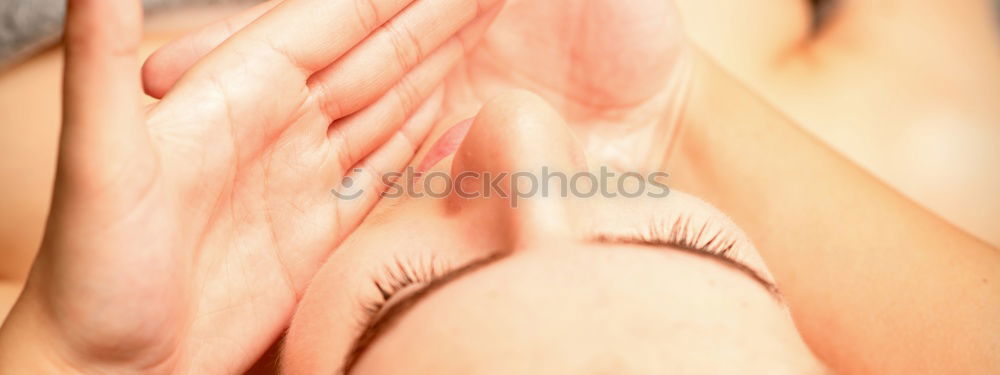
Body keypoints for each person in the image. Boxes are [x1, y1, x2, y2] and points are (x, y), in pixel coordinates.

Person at [0, 0, 998, 374]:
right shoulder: (924, 129)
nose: (523, 137)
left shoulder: (66, 286)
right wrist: (676, 120)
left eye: (409, 290)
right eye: (689, 242)